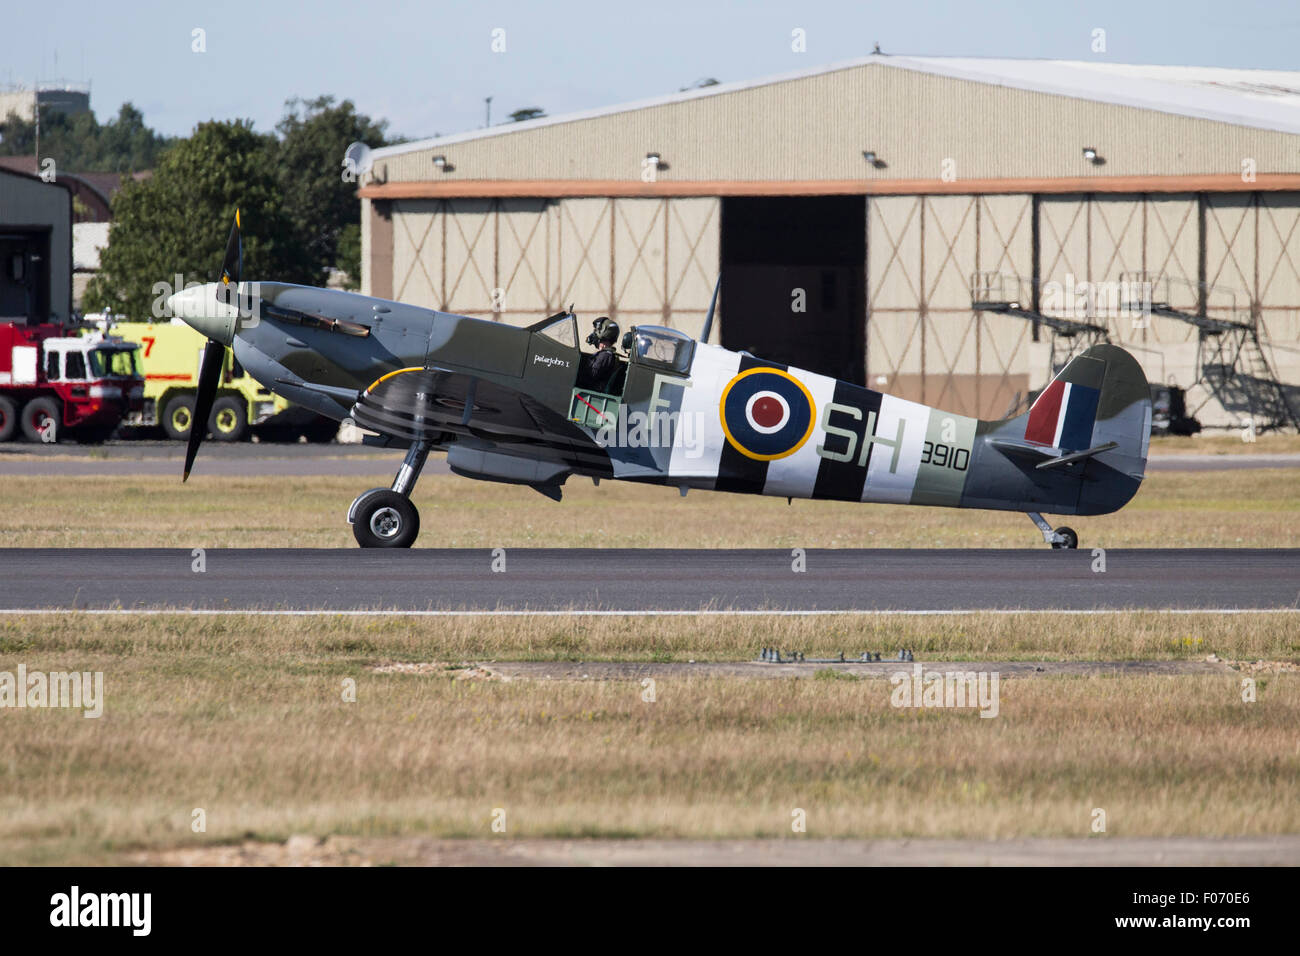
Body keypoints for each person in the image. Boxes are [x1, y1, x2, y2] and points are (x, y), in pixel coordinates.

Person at [577, 317, 620, 390]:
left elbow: (591, 375)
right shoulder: (606, 354)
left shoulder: (605, 355)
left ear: (604, 332)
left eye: (597, 330)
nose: (595, 333)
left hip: (590, 390)